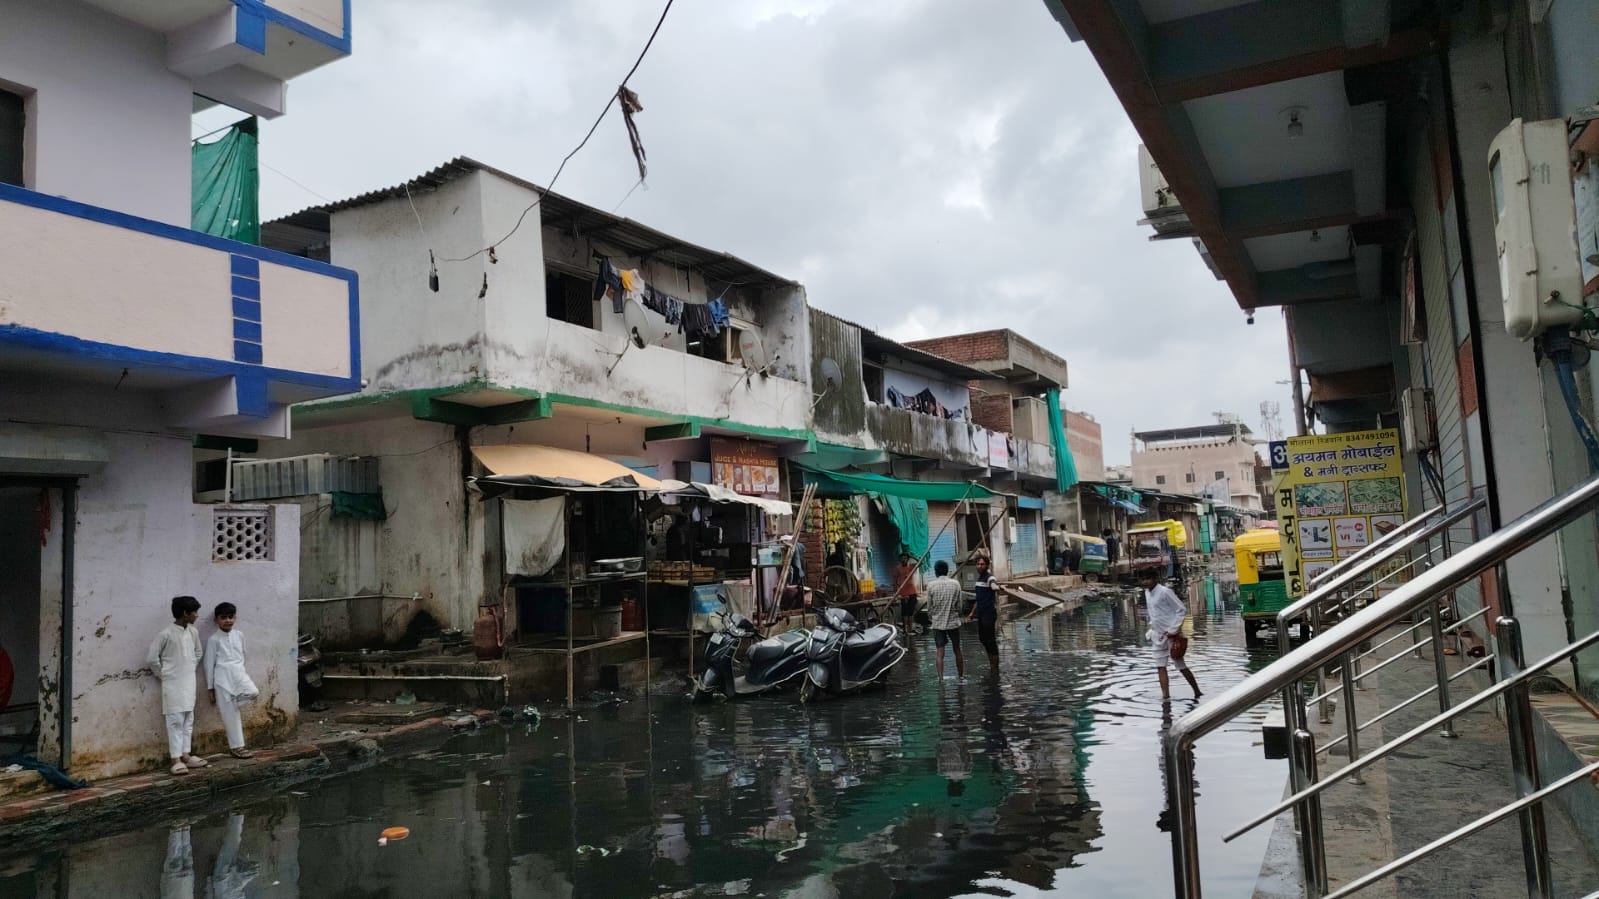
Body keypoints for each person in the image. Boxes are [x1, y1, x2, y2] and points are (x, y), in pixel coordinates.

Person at [147, 595, 208, 775]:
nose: (197, 615)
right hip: (172, 683)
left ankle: (186, 755)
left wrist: (189, 667)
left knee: (188, 718)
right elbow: (151, 658)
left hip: (189, 682)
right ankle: (175, 759)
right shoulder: (165, 634)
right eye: (194, 612)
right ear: (184, 613)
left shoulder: (193, 632)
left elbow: (198, 652)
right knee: (175, 720)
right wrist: (164, 674)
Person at [205, 602, 260, 759]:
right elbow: (209, 665)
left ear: (235, 618)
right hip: (222, 680)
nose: (228, 620)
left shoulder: (239, 635)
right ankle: (237, 747)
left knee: (253, 692)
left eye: (231, 617)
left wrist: (241, 672)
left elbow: (242, 655)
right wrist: (210, 688)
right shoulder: (214, 640)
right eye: (223, 618)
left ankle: (235, 702)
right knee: (230, 715)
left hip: (239, 674)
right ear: (216, 620)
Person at [1141, 570, 1201, 700]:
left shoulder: (1165, 592)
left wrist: (1173, 629)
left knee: (1180, 665)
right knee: (1160, 666)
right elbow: (1153, 613)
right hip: (1157, 634)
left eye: (1148, 578)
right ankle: (1165, 696)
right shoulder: (1147, 593)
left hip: (1172, 635)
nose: (1146, 582)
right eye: (1143, 579)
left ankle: (1197, 691)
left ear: (1155, 578)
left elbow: (1181, 610)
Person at [925, 561, 965, 677]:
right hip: (953, 622)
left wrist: (933, 618)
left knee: (939, 653)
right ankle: (961, 676)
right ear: (947, 571)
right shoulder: (956, 584)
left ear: (936, 571)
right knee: (957, 649)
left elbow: (929, 608)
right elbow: (960, 606)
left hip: (937, 623)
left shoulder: (931, 585)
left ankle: (941, 680)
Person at [966, 556, 1001, 671]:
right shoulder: (979, 580)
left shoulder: (989, 577)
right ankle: (992, 663)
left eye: (982, 564)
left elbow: (993, 584)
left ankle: (995, 667)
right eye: (978, 564)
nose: (980, 566)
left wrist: (996, 587)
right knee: (983, 639)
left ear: (987, 565)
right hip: (980, 613)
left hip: (989, 614)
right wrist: (972, 613)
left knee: (990, 640)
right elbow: (978, 599)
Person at [895, 552, 921, 631]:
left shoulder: (911, 567)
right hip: (903, 593)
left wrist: (912, 556)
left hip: (912, 592)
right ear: (900, 560)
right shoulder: (898, 568)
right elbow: (895, 581)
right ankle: (905, 630)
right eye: (902, 558)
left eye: (905, 558)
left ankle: (910, 629)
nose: (903, 560)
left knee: (910, 612)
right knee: (904, 612)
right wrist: (898, 592)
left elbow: (920, 562)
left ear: (907, 559)